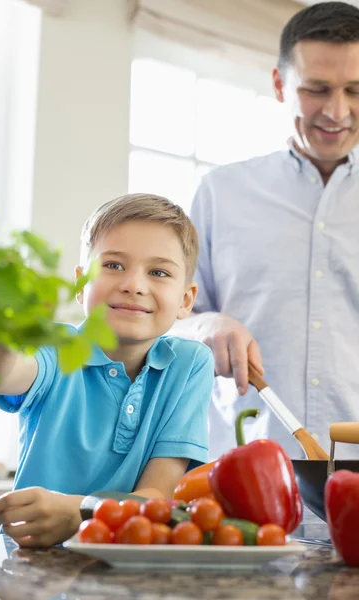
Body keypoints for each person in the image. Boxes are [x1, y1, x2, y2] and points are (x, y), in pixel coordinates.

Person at [175, 1, 359, 461]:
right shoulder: (221, 193)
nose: (338, 111)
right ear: (280, 85)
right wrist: (206, 324)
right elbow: (167, 323)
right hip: (242, 481)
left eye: (355, 90)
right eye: (317, 89)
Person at [0, 193, 214, 547]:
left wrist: (80, 512)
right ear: (80, 284)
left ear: (186, 300)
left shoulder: (191, 365)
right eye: (113, 265)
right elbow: (5, 373)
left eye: (158, 272)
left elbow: (158, 493)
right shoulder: (57, 348)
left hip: (130, 563)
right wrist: (1, 329)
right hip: (34, 560)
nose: (133, 285)